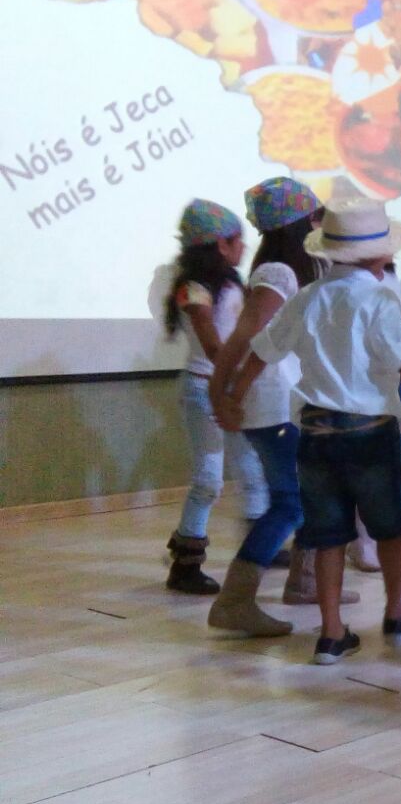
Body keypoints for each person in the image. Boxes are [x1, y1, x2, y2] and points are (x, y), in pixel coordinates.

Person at [221, 198, 401, 665]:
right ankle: (395, 610)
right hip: (370, 432)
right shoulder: (380, 298)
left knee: (327, 535)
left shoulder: (308, 296)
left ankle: (331, 634)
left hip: (316, 433)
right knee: (388, 528)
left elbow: (262, 350)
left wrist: (235, 394)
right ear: (376, 254)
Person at [207, 178, 348, 634]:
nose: (320, 224)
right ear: (299, 224)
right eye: (315, 217)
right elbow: (247, 337)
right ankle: (234, 601)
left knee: (303, 498)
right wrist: (222, 392)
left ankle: (302, 582)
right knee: (290, 503)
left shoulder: (294, 271)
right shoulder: (279, 273)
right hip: (272, 404)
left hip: (284, 402)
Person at [162, 199, 267, 595]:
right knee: (208, 479)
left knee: (252, 468)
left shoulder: (233, 284)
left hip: (232, 386)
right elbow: (211, 345)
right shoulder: (193, 290)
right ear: (220, 245)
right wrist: (241, 373)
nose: (243, 248)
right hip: (205, 389)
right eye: (238, 240)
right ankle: (185, 565)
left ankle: (261, 546)